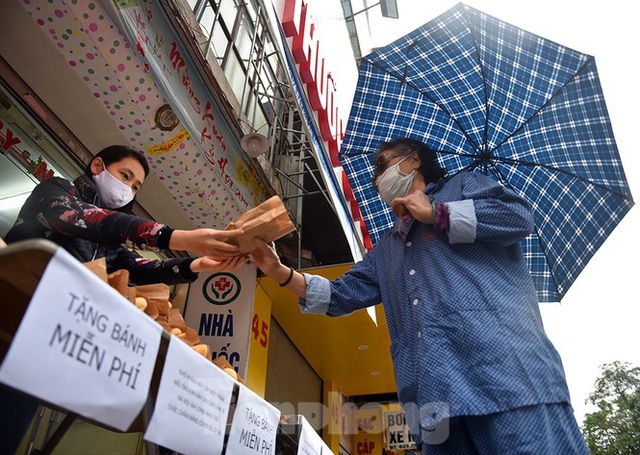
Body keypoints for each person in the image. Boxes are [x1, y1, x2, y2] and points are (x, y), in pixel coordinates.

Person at [251, 137, 589, 453]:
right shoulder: (389, 245)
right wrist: (279, 272)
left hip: (509, 381)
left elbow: (517, 218)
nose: (378, 177)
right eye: (375, 174)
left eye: (382, 165)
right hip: (435, 402)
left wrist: (437, 214)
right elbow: (339, 294)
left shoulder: (465, 185)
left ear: (414, 160)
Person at [1, 144, 247, 452]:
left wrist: (195, 264)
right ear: (98, 166)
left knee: (10, 426)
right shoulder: (57, 191)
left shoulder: (110, 241)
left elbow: (135, 267)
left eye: (135, 187)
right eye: (125, 176)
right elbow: (85, 219)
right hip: (11, 310)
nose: (127, 190)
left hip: (41, 340)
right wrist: (176, 236)